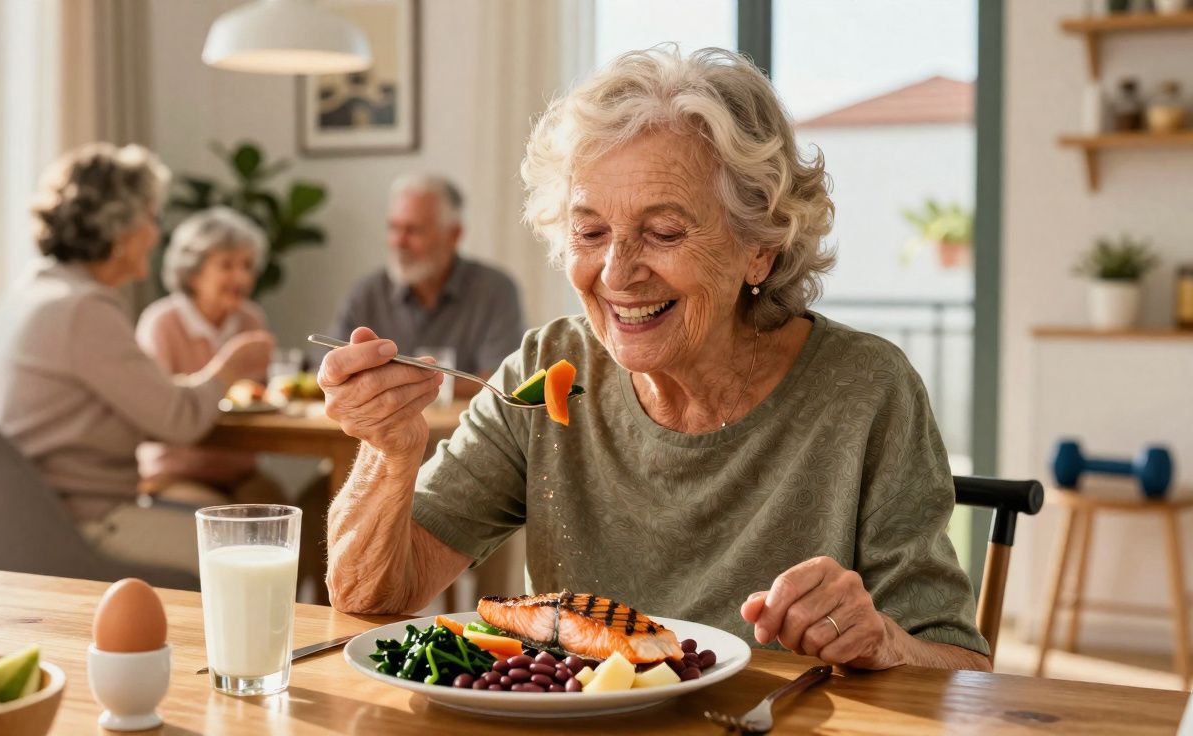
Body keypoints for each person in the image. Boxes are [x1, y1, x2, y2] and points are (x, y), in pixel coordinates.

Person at [318, 47, 991, 672]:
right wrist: (389, 453)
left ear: (762, 246)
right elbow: (371, 598)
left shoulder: (866, 388)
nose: (617, 272)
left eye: (664, 232)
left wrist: (884, 641)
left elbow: (961, 669)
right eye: (590, 231)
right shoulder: (548, 368)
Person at [0, 143, 274, 575]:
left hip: (31, 517)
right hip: (82, 522)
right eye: (151, 218)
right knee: (253, 553)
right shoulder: (83, 310)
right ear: (120, 230)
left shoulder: (35, 292)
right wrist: (228, 369)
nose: (155, 234)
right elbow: (177, 420)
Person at [329, 174, 524, 397]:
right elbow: (332, 371)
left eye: (413, 230)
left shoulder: (496, 290)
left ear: (453, 235)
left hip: (464, 429)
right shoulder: (365, 293)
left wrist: (395, 390)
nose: (399, 242)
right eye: (393, 228)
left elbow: (501, 382)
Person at [135, 207, 274, 498]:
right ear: (194, 273)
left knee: (292, 517)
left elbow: (260, 394)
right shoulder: (161, 323)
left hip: (238, 473)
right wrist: (223, 371)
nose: (241, 276)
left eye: (247, 265)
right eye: (227, 265)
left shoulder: (251, 320)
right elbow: (154, 406)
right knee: (241, 524)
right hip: (173, 474)